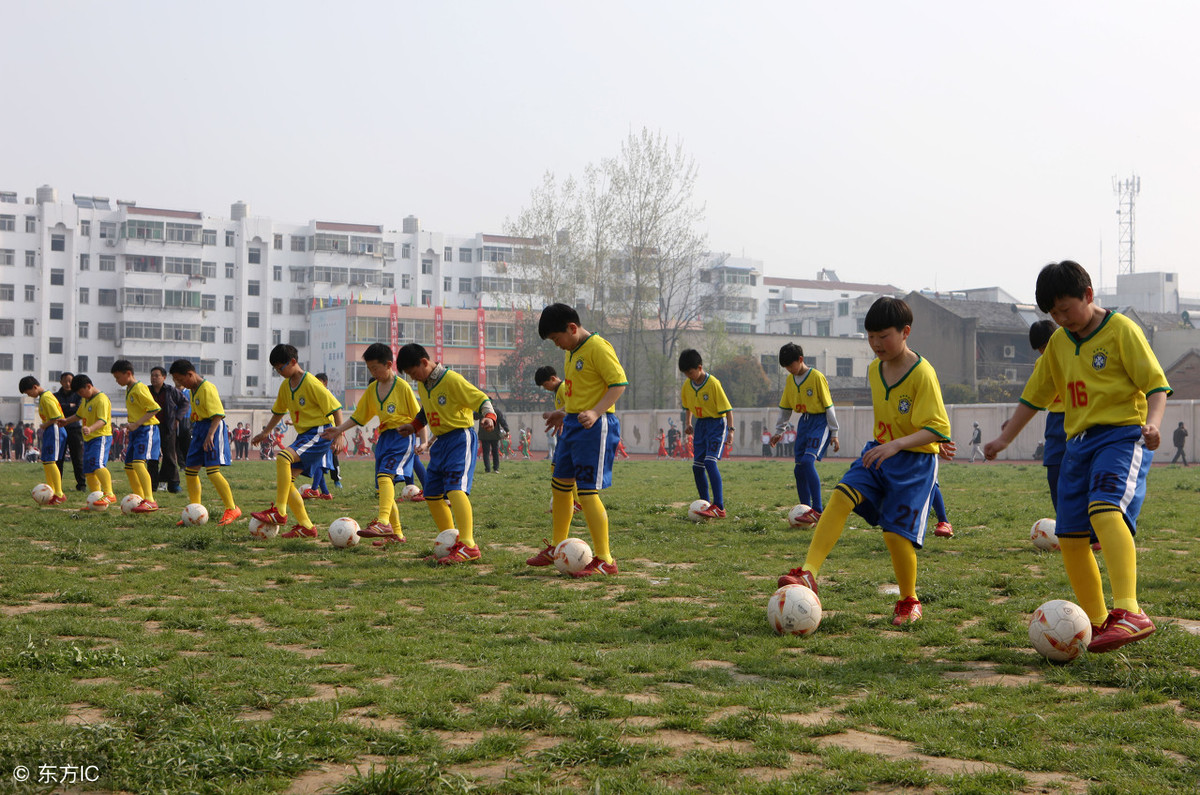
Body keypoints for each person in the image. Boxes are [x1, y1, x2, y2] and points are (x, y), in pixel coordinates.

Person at [986, 261, 1170, 652]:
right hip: (1077, 445)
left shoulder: (1122, 330)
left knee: (1104, 510)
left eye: (1065, 309)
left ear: (1088, 294)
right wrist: (1004, 439)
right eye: (1053, 314)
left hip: (1121, 436)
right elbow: (1033, 398)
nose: (1061, 319)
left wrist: (1153, 424)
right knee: (1070, 537)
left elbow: (1155, 385)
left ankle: (1131, 611)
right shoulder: (1058, 343)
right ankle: (1101, 622)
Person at [777, 297, 952, 627]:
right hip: (879, 453)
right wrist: (894, 443)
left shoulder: (923, 374)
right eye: (870, 336)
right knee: (841, 495)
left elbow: (938, 426)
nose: (875, 344)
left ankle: (909, 600)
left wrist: (922, 440)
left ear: (905, 332)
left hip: (913, 465)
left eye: (883, 336)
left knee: (894, 535)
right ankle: (808, 574)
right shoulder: (874, 369)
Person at [537, 303, 628, 577]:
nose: (557, 345)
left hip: (595, 427)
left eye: (557, 339)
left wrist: (596, 411)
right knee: (560, 485)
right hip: (572, 425)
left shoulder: (598, 347)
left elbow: (618, 383)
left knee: (587, 492)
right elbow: (579, 395)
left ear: (572, 328)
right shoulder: (572, 351)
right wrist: (562, 413)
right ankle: (557, 546)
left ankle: (605, 559)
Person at [395, 342, 495, 564]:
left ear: (424, 362)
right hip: (440, 443)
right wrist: (413, 426)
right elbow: (426, 410)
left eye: (413, 373)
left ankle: (468, 545)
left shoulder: (452, 380)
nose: (413, 378)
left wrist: (489, 417)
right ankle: (450, 543)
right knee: (431, 494)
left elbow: (481, 399)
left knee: (456, 489)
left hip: (460, 438)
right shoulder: (424, 383)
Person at [322, 343, 422, 545]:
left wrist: (425, 441)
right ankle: (397, 534)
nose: (372, 373)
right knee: (383, 490)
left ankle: (383, 522)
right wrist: (339, 430)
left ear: (388, 364)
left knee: (386, 477)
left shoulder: (402, 387)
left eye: (375, 368)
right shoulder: (372, 389)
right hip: (384, 439)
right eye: (369, 369)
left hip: (402, 437)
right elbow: (360, 417)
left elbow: (420, 415)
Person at [250, 345, 344, 539]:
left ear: (293, 362)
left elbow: (336, 408)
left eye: (280, 367)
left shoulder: (311, 382)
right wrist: (265, 432)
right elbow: (278, 412)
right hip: (305, 436)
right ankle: (306, 526)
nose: (279, 372)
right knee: (288, 484)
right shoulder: (286, 386)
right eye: (276, 369)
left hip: (320, 432)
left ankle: (280, 513)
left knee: (283, 457)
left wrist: (340, 434)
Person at [770, 343, 840, 526]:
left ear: (800, 360)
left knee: (808, 462)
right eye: (785, 368)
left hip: (820, 422)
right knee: (798, 468)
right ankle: (805, 509)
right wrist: (779, 431)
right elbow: (785, 408)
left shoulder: (817, 377)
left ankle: (818, 510)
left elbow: (828, 405)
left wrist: (834, 432)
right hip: (804, 423)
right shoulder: (790, 381)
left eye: (790, 366)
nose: (789, 371)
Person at [167, 359, 242, 526]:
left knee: (212, 471)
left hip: (212, 428)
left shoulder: (208, 388)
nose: (179, 383)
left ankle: (232, 508)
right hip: (199, 428)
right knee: (190, 471)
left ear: (190, 374)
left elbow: (218, 415)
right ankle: (195, 510)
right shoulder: (192, 389)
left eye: (180, 379)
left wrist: (210, 435)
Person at [676, 349, 733, 519]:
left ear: (699, 367)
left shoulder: (713, 384)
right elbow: (687, 407)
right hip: (700, 425)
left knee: (709, 462)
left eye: (690, 372)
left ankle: (719, 507)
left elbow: (728, 410)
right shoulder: (687, 385)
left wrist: (731, 431)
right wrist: (688, 423)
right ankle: (705, 504)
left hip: (716, 424)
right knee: (697, 466)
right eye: (685, 373)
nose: (688, 376)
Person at [109, 360, 162, 513]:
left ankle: (150, 500)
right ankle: (139, 497)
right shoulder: (129, 389)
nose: (117, 381)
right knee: (129, 466)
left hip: (146, 429)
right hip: (135, 431)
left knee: (139, 464)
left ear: (128, 374)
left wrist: (137, 423)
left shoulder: (139, 388)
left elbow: (154, 408)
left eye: (118, 377)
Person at [58, 374, 117, 508]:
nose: (80, 395)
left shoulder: (101, 399)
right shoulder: (86, 400)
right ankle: (96, 498)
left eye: (81, 392)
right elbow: (79, 415)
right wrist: (66, 421)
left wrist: (90, 428)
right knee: (89, 470)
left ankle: (109, 493)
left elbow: (102, 420)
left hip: (100, 436)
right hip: (88, 439)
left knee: (98, 464)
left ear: (89, 386)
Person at [19, 376, 69, 504]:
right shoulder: (43, 397)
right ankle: (50, 491)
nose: (29, 395)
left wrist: (44, 425)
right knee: (46, 461)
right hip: (50, 430)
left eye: (29, 392)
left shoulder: (47, 397)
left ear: (35, 387)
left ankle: (59, 494)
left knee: (51, 461)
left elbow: (57, 417)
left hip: (55, 429)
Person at [148, 366, 187, 493]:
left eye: (157, 376)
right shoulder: (146, 391)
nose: (154, 378)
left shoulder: (170, 390)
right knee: (152, 457)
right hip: (151, 427)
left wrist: (177, 419)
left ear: (164, 377)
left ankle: (174, 484)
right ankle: (152, 484)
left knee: (169, 455)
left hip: (168, 427)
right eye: (152, 375)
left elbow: (185, 403)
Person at [54, 372, 87, 491]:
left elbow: (78, 410)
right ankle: (57, 485)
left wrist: (64, 407)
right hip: (60, 429)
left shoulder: (79, 395)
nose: (68, 384)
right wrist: (70, 406)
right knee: (58, 459)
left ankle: (81, 485)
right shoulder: (55, 396)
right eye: (65, 381)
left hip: (75, 429)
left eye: (70, 381)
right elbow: (56, 411)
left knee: (77, 458)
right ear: (61, 382)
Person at [478, 406, 508, 473]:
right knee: (495, 452)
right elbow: (502, 421)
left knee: (486, 453)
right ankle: (496, 468)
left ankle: (487, 469)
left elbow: (474, 416)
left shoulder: (481, 411)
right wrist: (507, 430)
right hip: (495, 435)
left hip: (484, 435)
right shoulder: (496, 411)